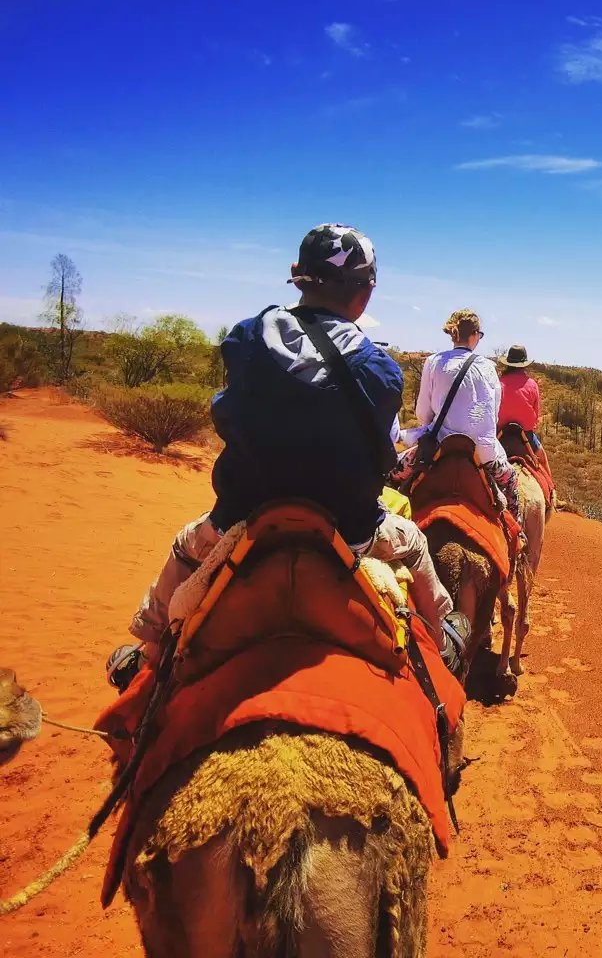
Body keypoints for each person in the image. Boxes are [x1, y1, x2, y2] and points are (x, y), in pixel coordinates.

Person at [109, 224, 469, 689]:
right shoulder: (378, 366)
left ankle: (147, 651)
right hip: (351, 533)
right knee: (416, 545)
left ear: (298, 277)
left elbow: (229, 415)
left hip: (244, 519)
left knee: (185, 545)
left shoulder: (247, 338)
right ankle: (442, 643)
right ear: (365, 292)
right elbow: (380, 446)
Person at [410, 309, 520, 519]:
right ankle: (518, 537)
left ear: (453, 334)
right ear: (475, 334)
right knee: (511, 480)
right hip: (483, 453)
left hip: (437, 447)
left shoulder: (434, 361)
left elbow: (423, 414)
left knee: (393, 476)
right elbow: (493, 416)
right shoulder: (488, 368)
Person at [497, 344, 544, 452]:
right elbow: (536, 414)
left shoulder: (498, 383)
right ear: (524, 365)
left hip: (500, 433)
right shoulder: (532, 384)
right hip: (526, 435)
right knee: (542, 459)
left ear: (508, 363)